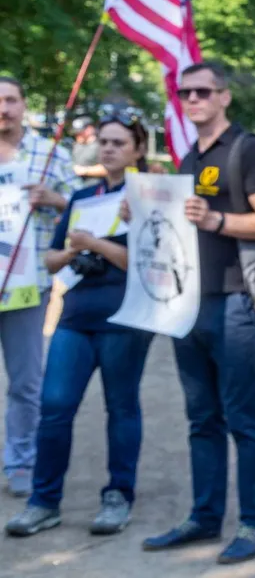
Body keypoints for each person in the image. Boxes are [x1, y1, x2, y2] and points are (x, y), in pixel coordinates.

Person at [142, 61, 255, 564]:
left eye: (202, 91)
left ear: (224, 96)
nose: (193, 99)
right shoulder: (188, 156)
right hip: (188, 304)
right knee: (201, 418)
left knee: (244, 417)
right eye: (185, 93)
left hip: (234, 301)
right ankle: (204, 517)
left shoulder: (247, 149)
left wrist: (219, 218)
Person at [6, 116, 154, 537]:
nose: (108, 149)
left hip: (124, 318)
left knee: (121, 408)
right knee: (55, 408)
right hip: (75, 317)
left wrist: (95, 244)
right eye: (104, 142)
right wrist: (76, 251)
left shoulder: (145, 199)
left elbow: (140, 262)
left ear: (137, 150)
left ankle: (118, 496)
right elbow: (52, 260)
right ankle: (43, 501)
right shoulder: (82, 197)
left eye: (118, 143)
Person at [0, 75, 79, 499]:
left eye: (11, 100)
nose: (4, 109)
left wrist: (54, 199)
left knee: (26, 381)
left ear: (23, 104)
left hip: (27, 285)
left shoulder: (51, 155)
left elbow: (82, 209)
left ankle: (21, 460)